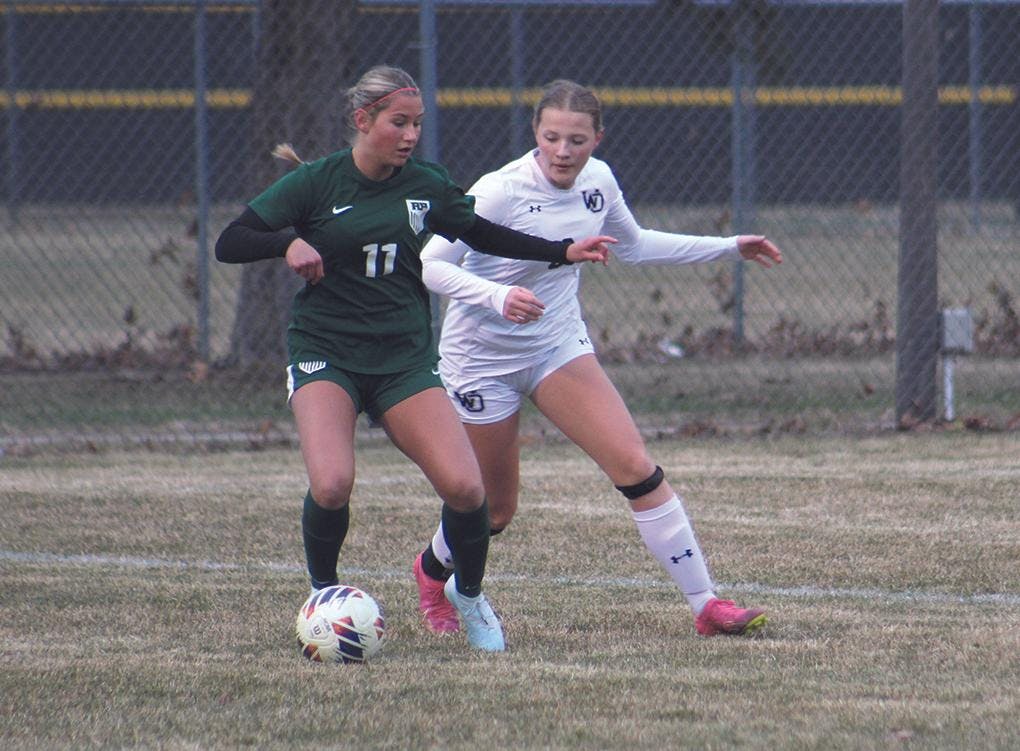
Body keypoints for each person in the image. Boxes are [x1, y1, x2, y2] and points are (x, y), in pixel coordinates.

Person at [214, 66, 615, 653]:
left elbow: (480, 232)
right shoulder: (316, 183)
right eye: (398, 123)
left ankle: (469, 596)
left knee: (467, 488)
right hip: (328, 353)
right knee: (332, 484)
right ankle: (324, 599)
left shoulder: (425, 183)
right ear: (362, 121)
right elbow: (231, 242)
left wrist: (561, 251)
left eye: (416, 124)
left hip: (402, 359)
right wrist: (285, 241)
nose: (409, 136)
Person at [412, 79, 782, 638]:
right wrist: (498, 296)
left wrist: (729, 246)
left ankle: (706, 606)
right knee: (493, 512)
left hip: (557, 347)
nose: (563, 151)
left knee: (636, 467)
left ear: (597, 139)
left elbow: (633, 246)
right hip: (480, 359)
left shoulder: (599, 182)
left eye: (577, 140)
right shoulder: (499, 190)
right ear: (535, 133)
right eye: (552, 137)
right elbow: (431, 264)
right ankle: (429, 573)